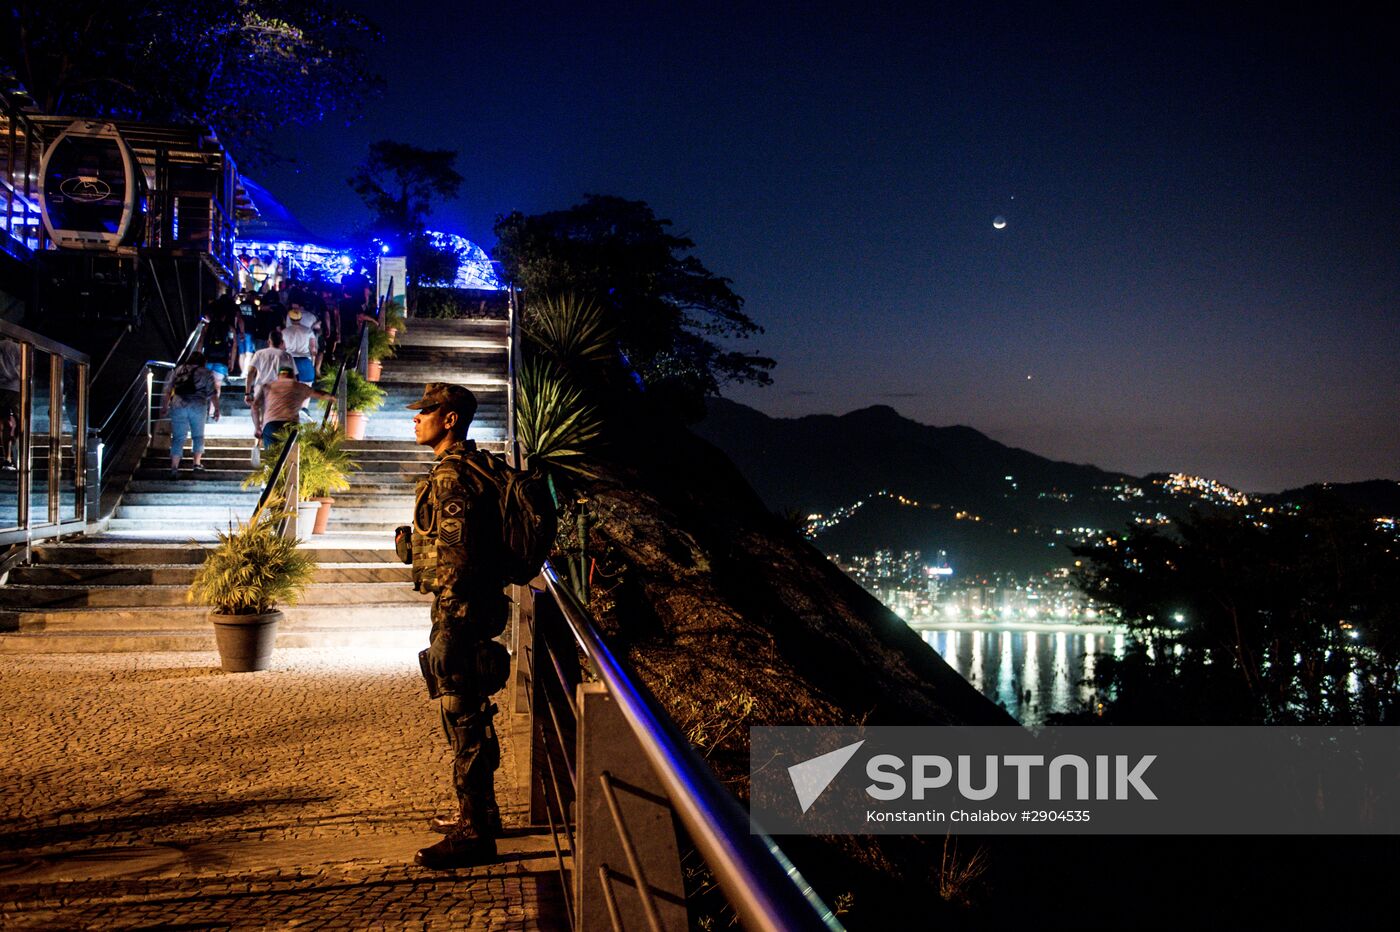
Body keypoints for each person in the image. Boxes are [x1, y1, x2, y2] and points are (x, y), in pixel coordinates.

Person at [396, 383, 510, 870]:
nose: (416, 419)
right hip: (469, 605)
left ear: (449, 420)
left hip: (460, 610)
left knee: (462, 713)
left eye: (426, 412)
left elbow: (458, 559)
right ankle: (482, 811)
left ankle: (475, 833)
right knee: (469, 711)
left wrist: (448, 626)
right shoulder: (471, 469)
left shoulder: (452, 478)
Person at [161, 352, 218, 478]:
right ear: (203, 361)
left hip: (178, 405)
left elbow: (168, 389)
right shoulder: (206, 372)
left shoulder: (179, 369)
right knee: (198, 435)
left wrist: (164, 406)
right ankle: (197, 464)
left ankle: (174, 467)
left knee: (178, 437)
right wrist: (217, 409)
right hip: (198, 405)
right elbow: (212, 393)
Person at [253, 365, 332, 448]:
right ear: (293, 376)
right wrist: (333, 398)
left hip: (271, 425)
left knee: (272, 456)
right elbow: (321, 394)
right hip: (291, 426)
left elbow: (255, 406)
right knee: (291, 455)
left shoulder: (268, 386)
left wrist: (257, 427)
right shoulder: (299, 387)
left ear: (278, 376)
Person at [244, 331, 294, 447]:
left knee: (256, 407)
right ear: (281, 342)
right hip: (279, 388)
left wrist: (247, 392)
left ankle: (258, 428)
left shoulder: (259, 353)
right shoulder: (285, 355)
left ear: (268, 341)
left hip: (261, 387)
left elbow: (250, 372)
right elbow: (291, 376)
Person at [281, 306, 319, 384]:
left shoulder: (284, 332)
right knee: (306, 391)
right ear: (300, 318)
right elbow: (313, 350)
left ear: (290, 319)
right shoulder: (308, 331)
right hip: (305, 361)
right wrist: (312, 365)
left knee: (288, 390)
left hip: (289, 361)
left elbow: (282, 349)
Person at [0, 337, 21, 471]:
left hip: (0, 386)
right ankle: (14, 451)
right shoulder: (18, 347)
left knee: (3, 420)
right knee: (17, 419)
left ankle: (6, 456)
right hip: (14, 387)